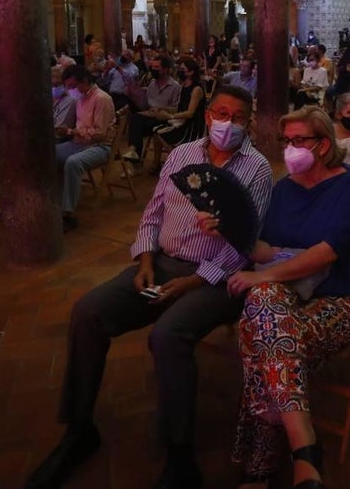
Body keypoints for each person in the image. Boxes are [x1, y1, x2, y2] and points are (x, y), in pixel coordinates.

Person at [26, 86, 273, 489]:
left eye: (239, 116)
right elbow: (153, 212)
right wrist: (143, 261)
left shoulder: (256, 169)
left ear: (248, 120)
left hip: (215, 274)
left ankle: (180, 455)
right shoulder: (182, 155)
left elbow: (246, 242)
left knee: (168, 334)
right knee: (89, 311)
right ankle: (79, 428)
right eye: (221, 113)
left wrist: (191, 281)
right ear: (208, 115)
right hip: (158, 263)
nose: (228, 123)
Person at [228, 106, 350, 488]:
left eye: (299, 141)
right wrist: (228, 229)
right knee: (265, 312)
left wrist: (265, 276)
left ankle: (258, 467)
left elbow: (326, 253)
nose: (290, 149)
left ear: (324, 145)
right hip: (287, 295)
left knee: (259, 332)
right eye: (286, 141)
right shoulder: (284, 189)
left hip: (339, 297)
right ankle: (305, 449)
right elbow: (268, 249)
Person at [55, 65, 116, 231]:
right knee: (50, 154)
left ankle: (67, 213)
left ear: (85, 81)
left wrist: (72, 131)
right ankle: (55, 202)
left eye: (73, 86)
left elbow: (100, 134)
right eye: (68, 87)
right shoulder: (80, 98)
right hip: (79, 142)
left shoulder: (101, 98)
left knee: (73, 163)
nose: (71, 90)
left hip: (100, 146)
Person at [122, 55, 182, 166]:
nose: (153, 69)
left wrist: (161, 109)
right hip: (149, 116)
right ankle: (133, 152)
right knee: (136, 119)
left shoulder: (175, 87)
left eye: (157, 67)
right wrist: (135, 97)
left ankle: (134, 155)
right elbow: (145, 105)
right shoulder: (152, 84)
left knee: (137, 121)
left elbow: (176, 110)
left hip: (164, 119)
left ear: (166, 69)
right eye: (152, 66)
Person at [153, 58, 207, 148]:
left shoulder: (196, 89)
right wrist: (163, 108)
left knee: (161, 133)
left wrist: (170, 116)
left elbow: (190, 113)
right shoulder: (183, 86)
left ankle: (177, 157)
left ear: (191, 72)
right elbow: (179, 108)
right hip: (183, 121)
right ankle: (156, 161)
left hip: (192, 126)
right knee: (156, 130)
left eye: (182, 70)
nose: (179, 71)